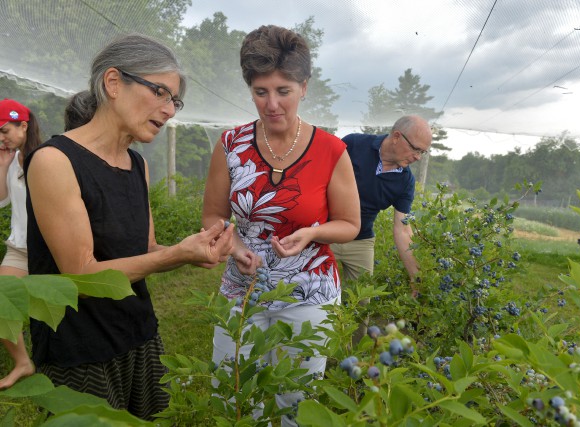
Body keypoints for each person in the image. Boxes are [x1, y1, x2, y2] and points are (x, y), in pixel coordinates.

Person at [24, 33, 235, 420]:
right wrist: (176, 254)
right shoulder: (54, 161)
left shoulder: (136, 164)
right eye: (161, 93)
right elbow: (82, 277)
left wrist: (191, 251)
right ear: (114, 83)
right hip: (79, 350)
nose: (170, 110)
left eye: (175, 100)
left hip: (138, 334)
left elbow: (148, 250)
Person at [202, 24, 360, 426]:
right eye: (260, 91)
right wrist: (234, 247)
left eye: (283, 91)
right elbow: (213, 217)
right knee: (233, 392)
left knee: (293, 400)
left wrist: (313, 233)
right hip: (243, 288)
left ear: (304, 87)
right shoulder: (231, 144)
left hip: (308, 290)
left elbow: (349, 224)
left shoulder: (330, 150)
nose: (272, 104)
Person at [331, 115, 433, 297]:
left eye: (422, 152)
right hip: (325, 233)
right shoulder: (354, 144)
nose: (417, 157)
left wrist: (416, 278)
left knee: (361, 305)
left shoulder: (405, 181)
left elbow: (402, 230)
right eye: (416, 149)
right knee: (313, 296)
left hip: (361, 241)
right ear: (396, 137)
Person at [0, 99, 40, 389]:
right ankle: (23, 363)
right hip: (19, 248)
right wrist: (3, 165)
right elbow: (1, 200)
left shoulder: (48, 156)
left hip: (49, 248)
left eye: (4, 131)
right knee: (1, 305)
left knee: (57, 307)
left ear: (23, 126)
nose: (1, 138)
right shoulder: (10, 160)